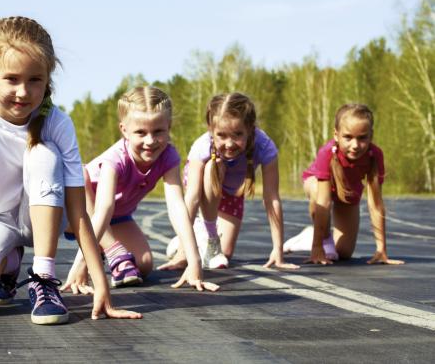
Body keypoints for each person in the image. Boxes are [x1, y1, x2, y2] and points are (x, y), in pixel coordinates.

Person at [0, 16, 141, 324]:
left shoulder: (58, 123)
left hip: (43, 219)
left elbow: (78, 210)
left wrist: (102, 287)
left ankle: (42, 279)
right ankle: (9, 261)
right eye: (12, 79)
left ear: (48, 78)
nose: (23, 92)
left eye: (34, 80)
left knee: (42, 154)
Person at [60, 86, 219, 293]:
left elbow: (177, 207)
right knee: (81, 175)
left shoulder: (169, 156)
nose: (150, 141)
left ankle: (107, 250)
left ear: (169, 126)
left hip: (118, 218)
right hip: (77, 214)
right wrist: (83, 263)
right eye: (140, 133)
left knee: (143, 265)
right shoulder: (115, 158)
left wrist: (194, 260)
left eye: (158, 131)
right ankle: (109, 250)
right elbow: (103, 209)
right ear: (124, 130)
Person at [167, 92, 299, 270]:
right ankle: (207, 238)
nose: (229, 144)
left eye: (237, 134)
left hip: (231, 192)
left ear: (250, 129)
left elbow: (272, 198)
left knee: (226, 254)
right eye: (221, 135)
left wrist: (278, 250)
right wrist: (183, 253)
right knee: (215, 166)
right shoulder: (202, 147)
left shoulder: (265, 147)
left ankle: (200, 235)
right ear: (210, 130)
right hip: (202, 187)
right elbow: (192, 199)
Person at [283, 103, 405, 266]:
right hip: (319, 186)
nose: (355, 145)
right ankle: (320, 239)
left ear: (371, 135)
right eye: (348, 137)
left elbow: (375, 203)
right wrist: (317, 248)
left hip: (347, 192)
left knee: (344, 253)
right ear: (336, 135)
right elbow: (324, 202)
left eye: (362, 138)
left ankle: (309, 235)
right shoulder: (326, 152)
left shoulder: (375, 155)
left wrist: (381, 249)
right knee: (316, 191)